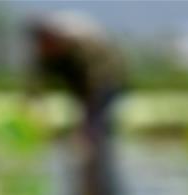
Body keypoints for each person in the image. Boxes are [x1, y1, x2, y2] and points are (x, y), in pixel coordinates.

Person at [28, 10, 127, 150]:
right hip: (81, 86)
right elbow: (35, 85)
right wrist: (33, 108)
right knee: (84, 121)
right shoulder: (44, 55)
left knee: (95, 121)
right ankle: (86, 148)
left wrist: (84, 123)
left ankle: (96, 150)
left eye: (46, 41)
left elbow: (96, 83)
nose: (43, 46)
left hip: (108, 79)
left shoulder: (82, 49)